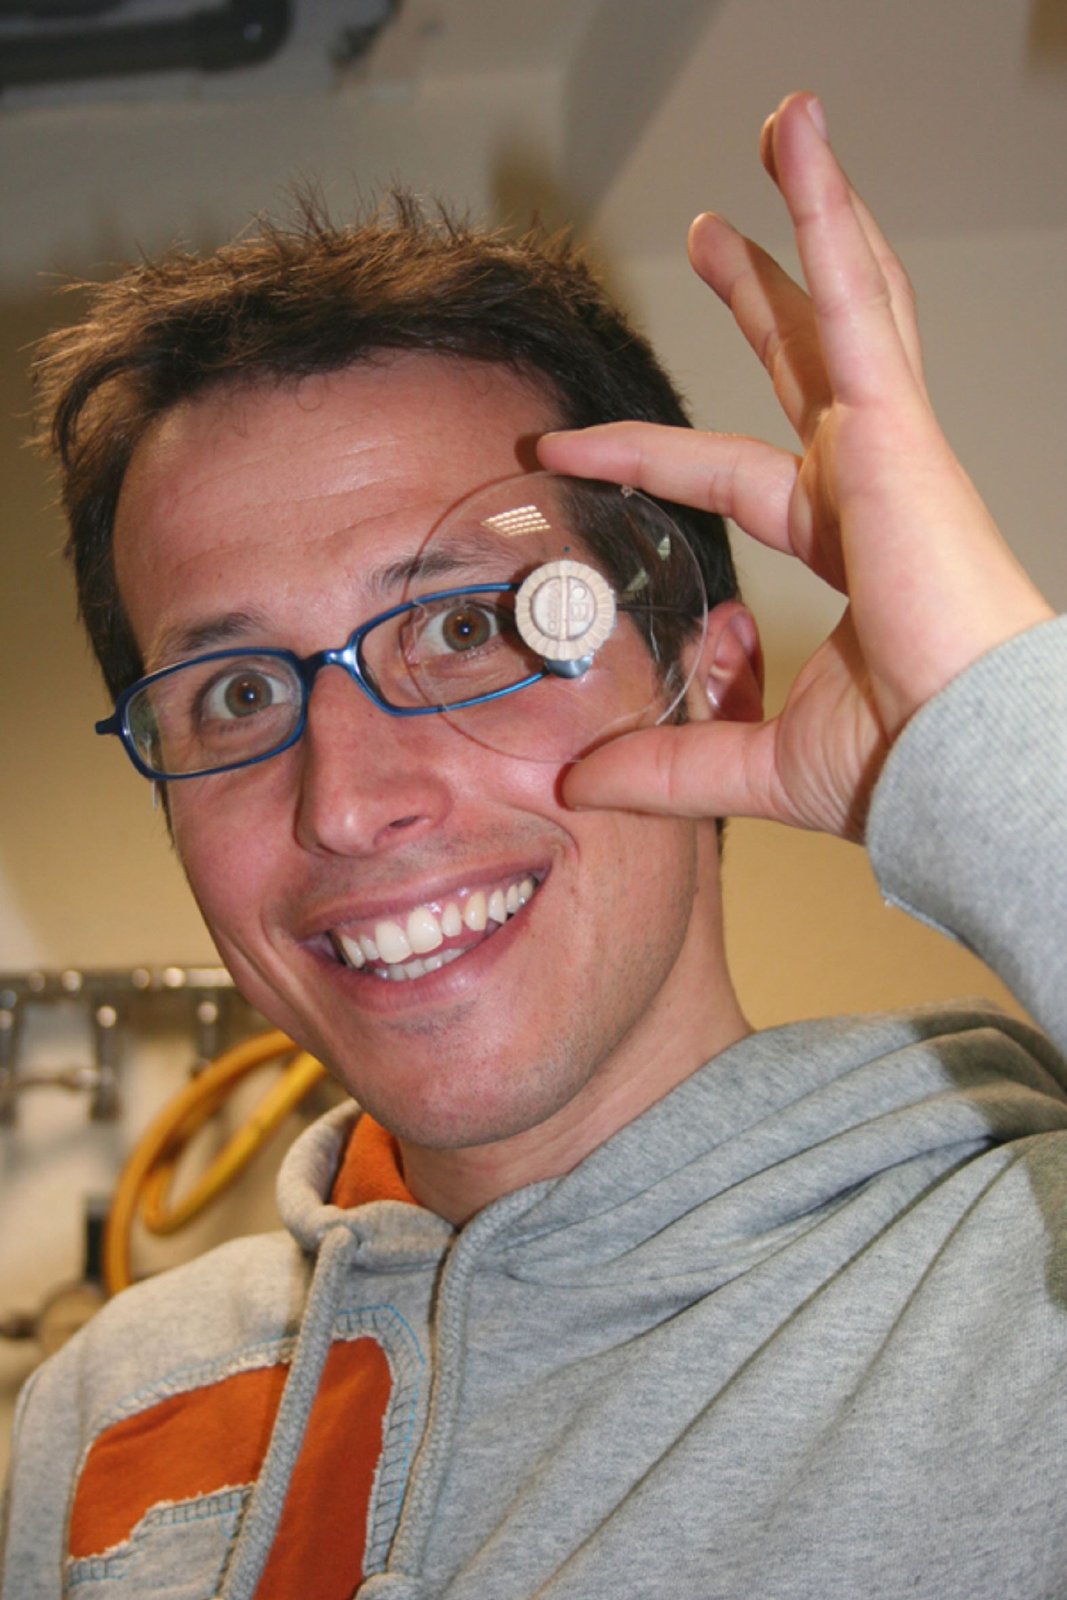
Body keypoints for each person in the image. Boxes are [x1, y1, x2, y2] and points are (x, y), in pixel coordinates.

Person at [2, 91, 1065, 1600]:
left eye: (463, 627)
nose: (345, 802)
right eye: (237, 692)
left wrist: (997, 732)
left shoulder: (1019, 1291)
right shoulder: (108, 1414)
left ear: (713, 682)